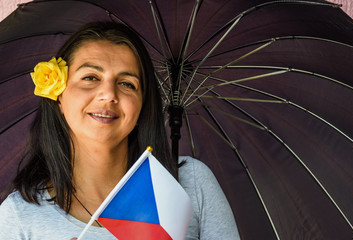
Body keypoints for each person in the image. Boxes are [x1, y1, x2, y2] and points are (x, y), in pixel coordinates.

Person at [0, 22, 240, 239]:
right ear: (59, 97)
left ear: (142, 105)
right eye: (90, 77)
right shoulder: (19, 216)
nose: (109, 95)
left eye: (126, 83)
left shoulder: (191, 184)